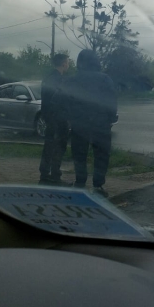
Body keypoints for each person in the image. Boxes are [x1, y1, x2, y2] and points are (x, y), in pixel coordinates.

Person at [56, 49, 117, 197]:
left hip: (79, 123)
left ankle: (80, 182)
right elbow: (111, 101)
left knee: (79, 154)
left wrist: (70, 117)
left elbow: (62, 101)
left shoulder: (72, 80)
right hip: (101, 123)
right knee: (101, 155)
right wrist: (110, 119)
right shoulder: (105, 79)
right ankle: (98, 186)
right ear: (96, 61)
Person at [38, 53, 71, 185]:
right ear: (63, 64)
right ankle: (55, 176)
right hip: (58, 117)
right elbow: (63, 100)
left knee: (49, 145)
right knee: (58, 147)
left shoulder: (48, 77)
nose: (68, 64)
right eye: (67, 62)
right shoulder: (60, 80)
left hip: (49, 117)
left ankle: (44, 175)